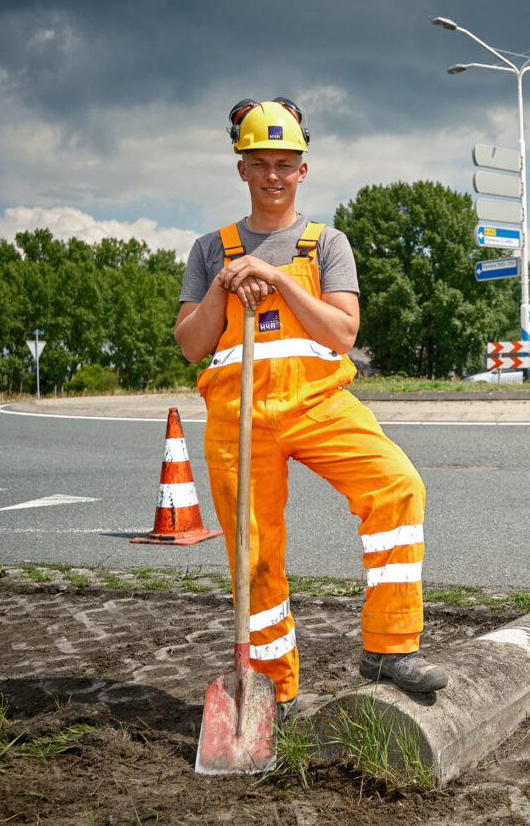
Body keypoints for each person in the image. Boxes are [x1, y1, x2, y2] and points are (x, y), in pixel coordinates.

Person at [174, 98, 447, 716]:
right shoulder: (208, 249)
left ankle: (390, 648)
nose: (274, 174)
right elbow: (192, 345)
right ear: (241, 168)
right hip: (237, 420)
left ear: (304, 169)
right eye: (260, 162)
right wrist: (224, 285)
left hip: (319, 403)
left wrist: (277, 280)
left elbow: (342, 333)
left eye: (286, 163)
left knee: (398, 486)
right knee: (254, 555)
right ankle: (275, 692)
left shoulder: (328, 244)